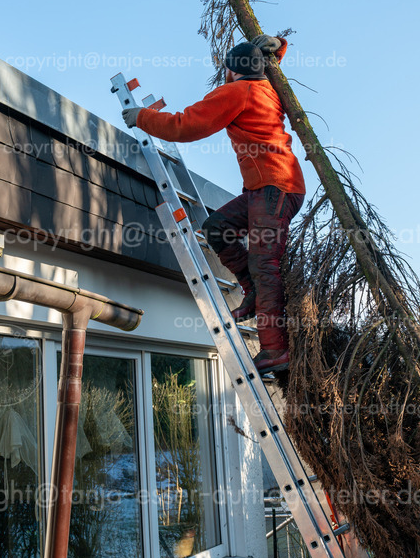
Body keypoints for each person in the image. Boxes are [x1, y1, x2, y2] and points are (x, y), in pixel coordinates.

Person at [122, 35, 305, 374]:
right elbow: (270, 61)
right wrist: (278, 44)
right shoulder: (268, 87)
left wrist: (142, 117)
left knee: (266, 266)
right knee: (216, 228)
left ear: (232, 73)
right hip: (269, 187)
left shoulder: (239, 91)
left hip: (273, 188)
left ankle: (275, 349)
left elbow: (187, 125)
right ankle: (251, 293)